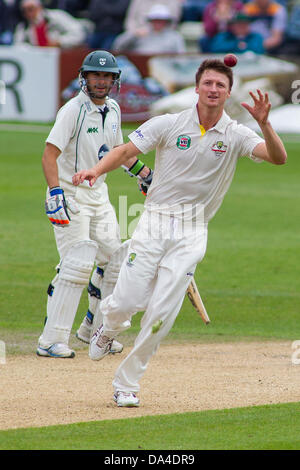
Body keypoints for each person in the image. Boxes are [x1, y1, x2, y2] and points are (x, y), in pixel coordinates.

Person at [72, 59, 287, 407]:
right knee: (127, 300)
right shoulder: (169, 124)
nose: (213, 90)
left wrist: (265, 124)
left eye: (220, 85)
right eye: (208, 84)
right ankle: (108, 326)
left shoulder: (235, 133)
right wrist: (95, 171)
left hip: (192, 231)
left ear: (228, 92)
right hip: (155, 221)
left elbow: (278, 158)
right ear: (197, 87)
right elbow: (126, 151)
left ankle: (127, 383)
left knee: (160, 315)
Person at [36, 49, 152, 358]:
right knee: (77, 262)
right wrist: (55, 193)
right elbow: (50, 154)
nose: (100, 81)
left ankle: (94, 330)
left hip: (99, 195)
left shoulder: (112, 109)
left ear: (114, 80)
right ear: (84, 78)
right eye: (95, 75)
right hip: (69, 193)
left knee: (115, 260)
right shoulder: (73, 110)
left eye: (106, 76)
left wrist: (145, 175)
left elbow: (116, 152)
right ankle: (51, 339)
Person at [112, 3, 186, 54]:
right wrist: (134, 35)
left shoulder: (174, 37)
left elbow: (181, 58)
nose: (158, 23)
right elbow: (117, 47)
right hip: (139, 70)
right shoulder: (140, 33)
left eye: (161, 20)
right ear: (150, 21)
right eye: (156, 20)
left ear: (166, 21)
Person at [13, 0, 86, 48]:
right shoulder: (23, 27)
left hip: (62, 57)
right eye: (24, 11)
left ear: (39, 7)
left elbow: (79, 34)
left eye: (30, 9)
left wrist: (60, 42)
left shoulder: (57, 17)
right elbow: (18, 45)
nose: (28, 13)